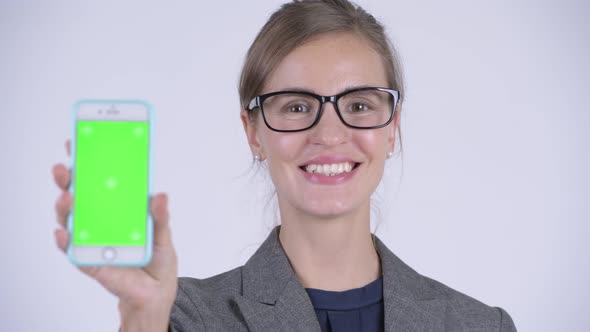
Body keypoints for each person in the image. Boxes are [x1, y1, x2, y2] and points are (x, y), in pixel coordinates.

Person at [52, 0, 517, 331]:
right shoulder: (185, 318)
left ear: (391, 128)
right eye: (296, 107)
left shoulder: (480, 325)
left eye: (358, 106)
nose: (330, 134)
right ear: (253, 132)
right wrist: (142, 317)